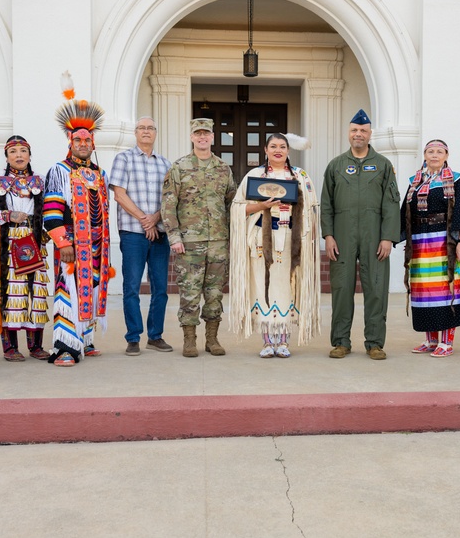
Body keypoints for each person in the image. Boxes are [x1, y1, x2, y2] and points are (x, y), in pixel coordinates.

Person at [228, 133, 321, 357]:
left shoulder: (301, 176)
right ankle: (268, 341)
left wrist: (310, 239)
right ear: (265, 150)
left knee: (288, 285)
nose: (278, 150)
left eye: (282, 146)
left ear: (289, 150)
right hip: (262, 240)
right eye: (273, 146)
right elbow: (236, 208)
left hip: (292, 239)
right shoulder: (255, 175)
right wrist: (261, 206)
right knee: (263, 285)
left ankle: (284, 341)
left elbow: (312, 210)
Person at [43, 73, 113, 366]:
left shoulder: (99, 174)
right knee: (68, 289)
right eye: (78, 139)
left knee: (92, 287)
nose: (83, 143)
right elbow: (51, 210)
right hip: (74, 243)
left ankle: (84, 339)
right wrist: (63, 242)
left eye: (88, 139)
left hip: (98, 245)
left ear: (93, 143)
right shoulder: (60, 170)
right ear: (70, 142)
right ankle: (65, 347)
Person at [320, 109, 401, 360]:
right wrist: (329, 236)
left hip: (374, 236)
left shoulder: (383, 165)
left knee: (376, 288)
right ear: (348, 133)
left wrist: (388, 237)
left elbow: (391, 203)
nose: (358, 134)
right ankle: (341, 341)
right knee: (342, 289)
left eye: (363, 131)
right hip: (342, 235)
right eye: (354, 130)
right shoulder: (336, 165)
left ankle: (375, 342)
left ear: (369, 134)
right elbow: (326, 204)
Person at [161, 118, 237, 358]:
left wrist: (232, 238)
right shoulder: (179, 167)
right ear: (192, 137)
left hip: (217, 242)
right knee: (190, 293)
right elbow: (168, 205)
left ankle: (212, 339)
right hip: (189, 243)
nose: (202, 137)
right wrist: (174, 237)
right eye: (198, 133)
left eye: (206, 133)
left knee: (215, 293)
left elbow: (232, 204)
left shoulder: (223, 168)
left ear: (213, 137)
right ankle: (190, 339)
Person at [400, 139, 460, 357]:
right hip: (420, 243)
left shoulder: (455, 180)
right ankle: (431, 339)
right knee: (424, 292)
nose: (434, 155)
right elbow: (405, 213)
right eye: (430, 151)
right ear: (424, 155)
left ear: (446, 155)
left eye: (439, 151)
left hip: (445, 243)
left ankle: (447, 342)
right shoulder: (415, 181)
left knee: (445, 290)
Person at [0, 135, 51, 362]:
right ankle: (9, 347)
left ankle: (36, 346)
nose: (19, 155)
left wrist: (48, 234)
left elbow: (51, 210)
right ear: (6, 156)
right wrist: (8, 215)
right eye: (13, 151)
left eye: (23, 151)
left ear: (30, 155)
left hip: (33, 240)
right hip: (7, 240)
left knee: (35, 292)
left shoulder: (40, 179)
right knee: (10, 292)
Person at [109, 117, 173, 356]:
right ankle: (133, 338)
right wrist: (144, 219)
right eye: (141, 128)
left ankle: (155, 336)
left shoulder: (165, 163)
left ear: (155, 133)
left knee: (160, 289)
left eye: (150, 128)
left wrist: (155, 218)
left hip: (159, 233)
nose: (146, 131)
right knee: (132, 287)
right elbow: (119, 194)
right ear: (135, 133)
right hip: (133, 233)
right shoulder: (123, 159)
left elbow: (169, 199)